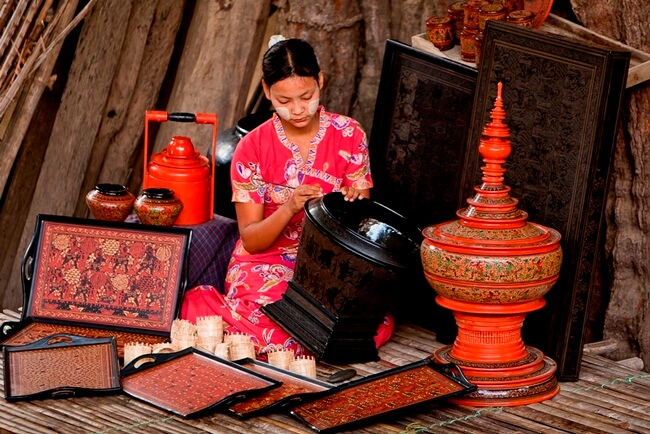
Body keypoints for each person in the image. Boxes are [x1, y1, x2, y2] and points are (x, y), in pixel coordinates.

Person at [181, 35, 393, 358]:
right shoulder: (250, 148)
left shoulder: (350, 135)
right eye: (284, 100)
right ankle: (211, 309)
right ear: (266, 91)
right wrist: (290, 206)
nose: (297, 110)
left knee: (376, 322)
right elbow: (251, 240)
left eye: (306, 96)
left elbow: (364, 232)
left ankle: (255, 335)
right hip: (264, 263)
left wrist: (351, 207)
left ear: (320, 81)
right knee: (288, 324)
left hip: (330, 266)